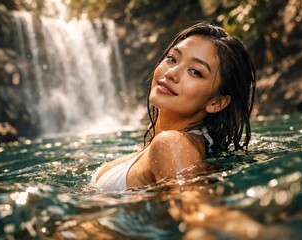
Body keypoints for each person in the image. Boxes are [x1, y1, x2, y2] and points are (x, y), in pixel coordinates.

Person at [91, 21, 256, 191]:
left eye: (195, 72)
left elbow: (199, 210)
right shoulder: (173, 146)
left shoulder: (171, 144)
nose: (171, 73)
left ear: (216, 103)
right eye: (172, 59)